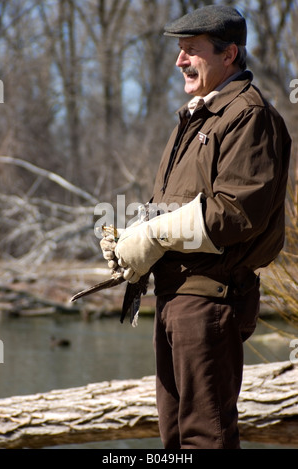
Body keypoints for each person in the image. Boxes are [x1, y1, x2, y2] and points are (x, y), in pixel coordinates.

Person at [100, 5, 291, 449]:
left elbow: (238, 213)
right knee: (175, 440)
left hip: (210, 302)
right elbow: (175, 205)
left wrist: (154, 235)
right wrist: (132, 235)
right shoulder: (194, 117)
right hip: (175, 298)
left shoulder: (248, 115)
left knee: (205, 439)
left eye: (191, 51)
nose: (179, 61)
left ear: (230, 54)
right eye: (180, 51)